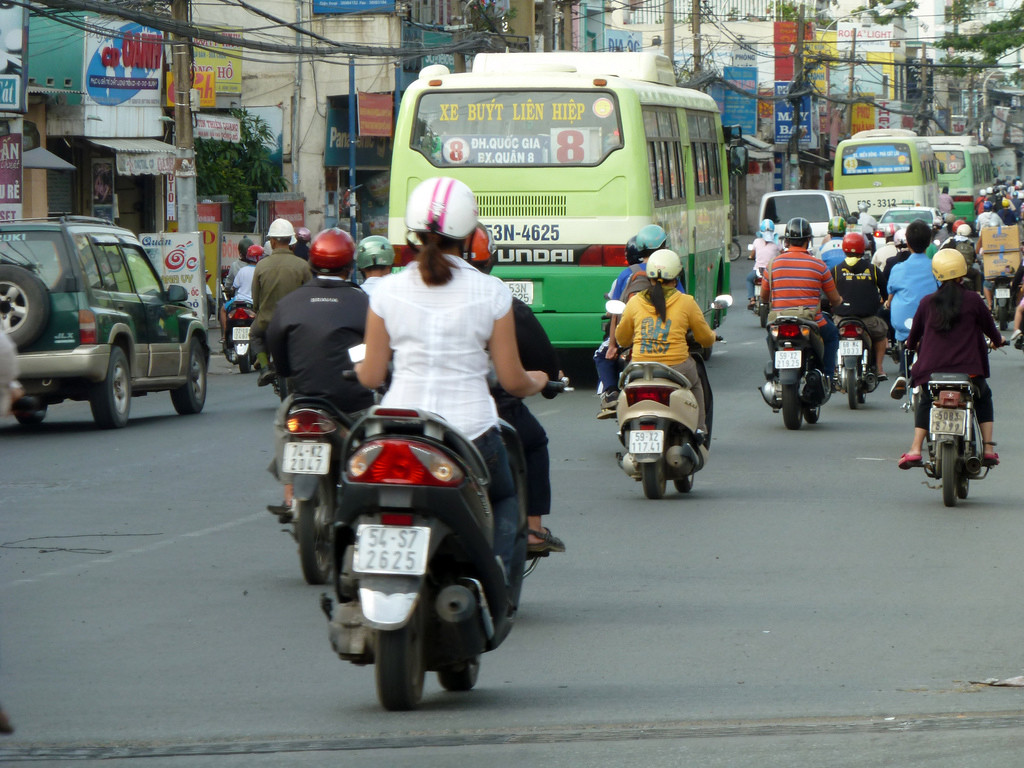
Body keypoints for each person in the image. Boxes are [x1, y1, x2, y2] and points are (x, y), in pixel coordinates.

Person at [356, 176, 548, 580]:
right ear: (468, 234)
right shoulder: (491, 292)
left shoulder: (385, 291)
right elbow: (512, 381)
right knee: (506, 498)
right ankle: (493, 583)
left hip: (398, 428)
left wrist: (357, 366)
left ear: (412, 233)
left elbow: (372, 374)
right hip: (472, 433)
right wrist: (539, 380)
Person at [463, 224, 566, 555]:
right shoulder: (497, 297)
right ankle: (533, 529)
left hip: (415, 416)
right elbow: (515, 377)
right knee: (533, 441)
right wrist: (546, 381)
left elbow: (371, 371)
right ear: (489, 259)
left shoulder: (403, 290)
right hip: (484, 416)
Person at [264, 228, 374, 518]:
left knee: (281, 422)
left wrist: (290, 373)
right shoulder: (363, 303)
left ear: (311, 263)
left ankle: (289, 494)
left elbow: (278, 352)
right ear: (350, 266)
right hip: (354, 406)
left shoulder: (289, 304)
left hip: (305, 400)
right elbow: (376, 351)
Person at [897, 249, 1004, 470]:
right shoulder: (974, 300)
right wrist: (999, 340)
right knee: (984, 397)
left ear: (937, 274)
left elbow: (912, 339)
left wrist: (912, 345)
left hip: (932, 373)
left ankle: (916, 449)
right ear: (962, 273)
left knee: (926, 400)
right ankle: (988, 449)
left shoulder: (927, 302)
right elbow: (992, 332)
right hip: (969, 374)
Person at [614, 248, 716, 435]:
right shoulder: (686, 302)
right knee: (696, 385)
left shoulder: (635, 302)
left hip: (640, 368)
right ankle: (700, 429)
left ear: (649, 277)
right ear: (676, 278)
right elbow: (705, 338)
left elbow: (622, 338)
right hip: (678, 368)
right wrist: (712, 337)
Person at [760, 217, 842, 385]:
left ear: (787, 241)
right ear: (808, 240)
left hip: (778, 320)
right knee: (832, 335)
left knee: (770, 338)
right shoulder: (819, 265)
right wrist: (839, 302)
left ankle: (776, 371)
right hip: (812, 321)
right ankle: (827, 377)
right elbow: (834, 298)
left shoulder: (772, 264)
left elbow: (763, 297)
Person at [251, 218, 313, 386]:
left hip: (267, 322)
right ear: (291, 242)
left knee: (254, 335)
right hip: (297, 322)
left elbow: (255, 301)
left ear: (271, 241)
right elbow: (310, 296)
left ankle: (264, 367)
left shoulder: (261, 266)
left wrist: (260, 311)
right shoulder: (303, 266)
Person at [885, 219, 938, 399]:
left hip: (904, 322)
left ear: (907, 243)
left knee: (906, 339)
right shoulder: (936, 267)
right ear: (929, 242)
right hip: (931, 321)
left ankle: (902, 372)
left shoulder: (898, 268)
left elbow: (890, 290)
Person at [831, 232, 889, 380]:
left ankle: (833, 368)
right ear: (863, 249)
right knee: (882, 336)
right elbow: (885, 293)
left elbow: (827, 294)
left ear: (844, 249)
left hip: (841, 319)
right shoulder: (873, 270)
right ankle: (880, 369)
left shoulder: (836, 270)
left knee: (830, 337)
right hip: (868, 320)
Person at [746, 219, 781, 309]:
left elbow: (752, 255)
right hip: (772, 270)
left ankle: (752, 299)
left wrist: (751, 257)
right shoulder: (777, 242)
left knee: (749, 279)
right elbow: (783, 253)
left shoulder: (757, 241)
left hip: (758, 270)